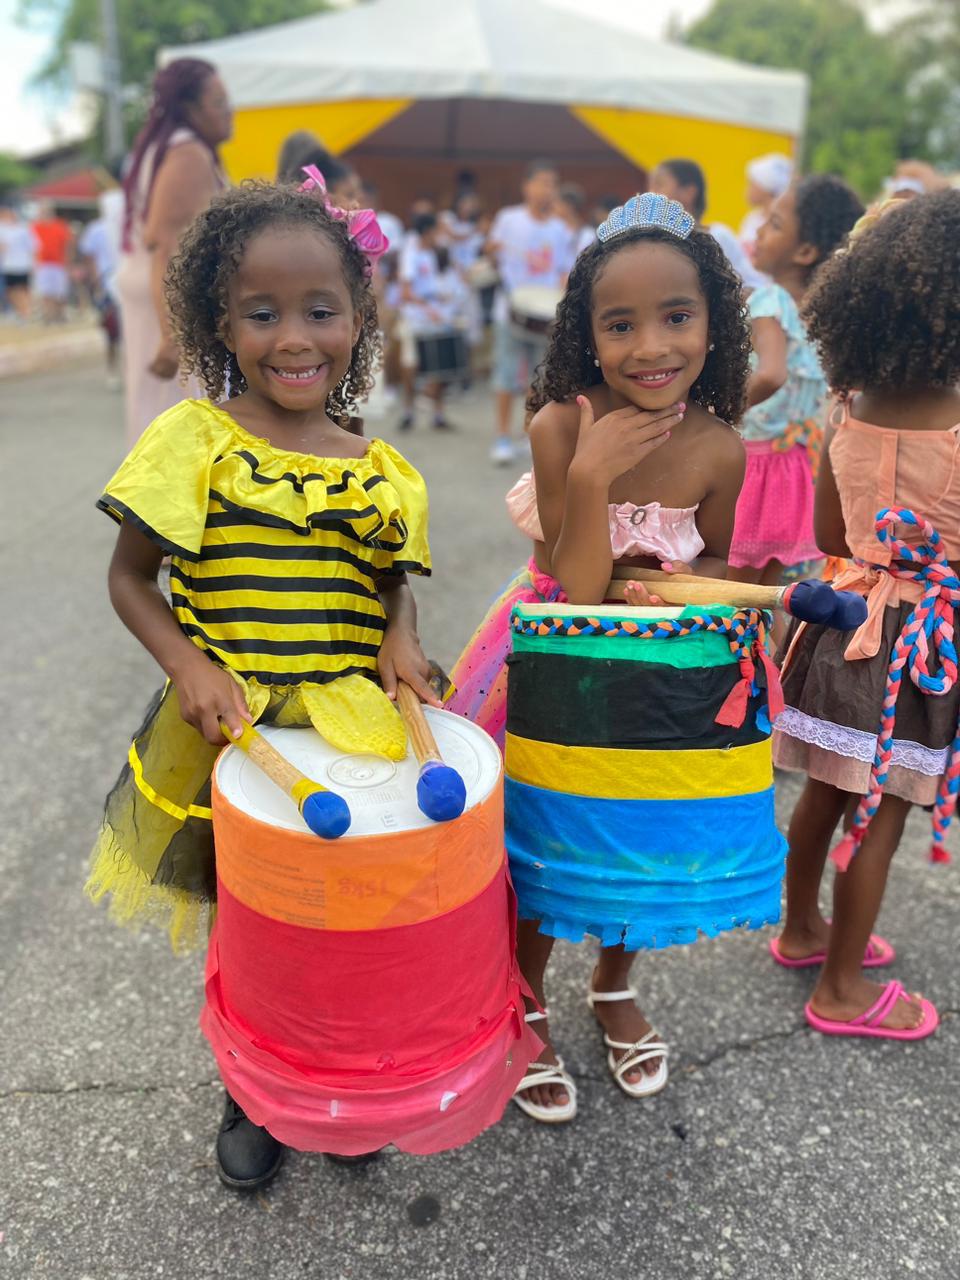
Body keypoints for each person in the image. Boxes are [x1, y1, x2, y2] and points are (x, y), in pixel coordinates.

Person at [86, 179, 435, 1187]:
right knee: (253, 920)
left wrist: (401, 639)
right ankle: (252, 1086)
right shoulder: (194, 442)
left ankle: (334, 1076)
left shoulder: (378, 467)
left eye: (320, 311)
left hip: (345, 724)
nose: (293, 338)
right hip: (232, 728)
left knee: (341, 916)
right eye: (262, 313)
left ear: (357, 320)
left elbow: (389, 586)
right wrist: (189, 664)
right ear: (219, 324)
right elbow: (130, 577)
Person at [449, 193, 752, 1119]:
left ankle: (614, 983)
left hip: (663, 668)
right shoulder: (559, 427)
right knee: (547, 835)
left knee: (642, 835)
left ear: (713, 324)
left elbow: (719, 562)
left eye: (677, 317)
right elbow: (575, 582)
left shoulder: (720, 449)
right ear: (588, 334)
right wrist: (590, 473)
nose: (651, 347)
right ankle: (526, 991)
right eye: (621, 325)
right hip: (558, 657)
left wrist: (694, 592)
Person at [770, 191, 960, 1041]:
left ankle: (801, 930)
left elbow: (826, 537)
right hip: (916, 646)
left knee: (823, 793)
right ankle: (842, 990)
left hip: (839, 625)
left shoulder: (846, 407)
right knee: (879, 818)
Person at [727, 176, 864, 605]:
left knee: (727, 591)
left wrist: (718, 413)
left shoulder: (768, 301)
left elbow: (770, 374)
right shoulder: (825, 316)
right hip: (796, 467)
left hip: (752, 464)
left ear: (804, 251)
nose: (759, 231)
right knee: (765, 596)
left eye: (774, 224)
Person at [117, 57, 232, 445]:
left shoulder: (172, 148)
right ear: (190, 108)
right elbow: (167, 245)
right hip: (171, 305)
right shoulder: (188, 154)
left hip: (163, 299)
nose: (229, 112)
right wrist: (173, 337)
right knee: (179, 433)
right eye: (219, 102)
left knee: (167, 426)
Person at [487, 159, 573, 466]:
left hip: (544, 315)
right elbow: (492, 253)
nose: (547, 189)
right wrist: (492, 251)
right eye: (542, 182)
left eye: (552, 184)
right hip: (509, 310)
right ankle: (501, 437)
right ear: (527, 186)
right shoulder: (509, 219)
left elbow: (563, 272)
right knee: (506, 374)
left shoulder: (560, 229)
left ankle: (529, 433)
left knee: (539, 378)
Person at [397, 213, 470, 431]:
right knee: (410, 365)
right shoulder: (410, 255)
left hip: (435, 317)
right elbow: (406, 292)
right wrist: (427, 307)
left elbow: (435, 284)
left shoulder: (433, 254)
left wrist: (441, 298)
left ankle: (438, 414)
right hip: (415, 318)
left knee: (439, 365)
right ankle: (408, 411)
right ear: (428, 231)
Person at [650, 158, 765, 290]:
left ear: (689, 192)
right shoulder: (652, 238)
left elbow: (752, 284)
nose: (651, 193)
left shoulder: (718, 236)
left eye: (659, 185)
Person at [79, 194, 122, 388]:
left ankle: (117, 371)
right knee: (112, 329)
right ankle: (113, 370)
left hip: (115, 284)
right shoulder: (96, 229)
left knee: (114, 333)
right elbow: (91, 258)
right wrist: (97, 283)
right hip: (108, 284)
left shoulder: (124, 225)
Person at [739, 153, 793, 262]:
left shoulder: (782, 224)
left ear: (765, 188)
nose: (748, 189)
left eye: (752, 183)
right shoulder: (751, 218)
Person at [31, 202, 73, 323]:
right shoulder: (35, 227)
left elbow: (67, 244)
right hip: (43, 263)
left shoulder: (60, 225)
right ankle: (48, 315)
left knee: (59, 292)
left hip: (58, 263)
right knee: (46, 291)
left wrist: (68, 261)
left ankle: (59, 314)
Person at [0, 205, 36, 321]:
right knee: (10, 291)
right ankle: (21, 311)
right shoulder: (2, 229)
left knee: (22, 289)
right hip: (8, 265)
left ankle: (26, 312)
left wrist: (34, 264)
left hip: (22, 264)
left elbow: (33, 247)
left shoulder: (23, 229)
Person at [556, 183, 596, 261]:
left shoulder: (589, 235)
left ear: (568, 206)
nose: (553, 209)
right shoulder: (554, 230)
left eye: (557, 205)